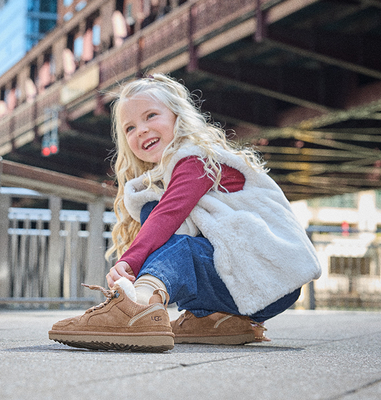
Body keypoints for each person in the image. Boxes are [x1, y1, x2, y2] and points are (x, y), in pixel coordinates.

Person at [49, 73, 321, 352]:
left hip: (269, 272)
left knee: (178, 239)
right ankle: (210, 319)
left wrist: (129, 262)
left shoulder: (196, 158)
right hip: (251, 284)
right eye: (129, 128)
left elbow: (169, 214)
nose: (141, 129)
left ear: (178, 116)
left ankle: (137, 305)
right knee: (151, 206)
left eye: (151, 115)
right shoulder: (163, 177)